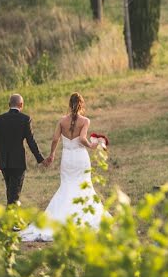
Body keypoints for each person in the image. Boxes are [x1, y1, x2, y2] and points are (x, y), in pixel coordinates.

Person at [20, 92, 111, 242]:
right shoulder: (85, 121)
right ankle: (83, 216)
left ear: (69, 104)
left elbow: (55, 139)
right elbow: (82, 138)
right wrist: (92, 146)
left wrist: (52, 155)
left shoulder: (62, 121)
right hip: (81, 158)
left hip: (67, 158)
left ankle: (60, 217)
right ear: (81, 105)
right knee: (84, 186)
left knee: (66, 186)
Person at [0, 93, 48, 206]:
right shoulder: (25, 119)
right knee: (14, 195)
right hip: (18, 163)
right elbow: (31, 141)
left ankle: (11, 220)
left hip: (4, 163)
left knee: (10, 192)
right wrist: (40, 159)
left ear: (9, 104)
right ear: (21, 104)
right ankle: (11, 222)